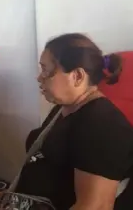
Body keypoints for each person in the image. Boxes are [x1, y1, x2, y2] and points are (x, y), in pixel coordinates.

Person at [13, 33, 133, 210]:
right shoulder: (63, 108)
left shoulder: (103, 127)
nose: (40, 78)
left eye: (46, 70)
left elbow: (95, 206)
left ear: (77, 76)